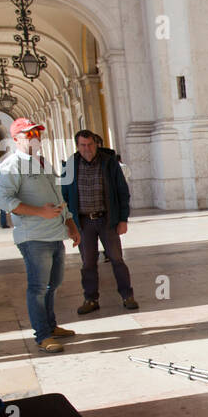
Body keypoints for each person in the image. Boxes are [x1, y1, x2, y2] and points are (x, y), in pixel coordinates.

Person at [0, 118, 80, 354]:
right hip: (33, 237)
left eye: (37, 135)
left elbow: (57, 196)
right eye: (28, 135)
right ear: (16, 140)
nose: (35, 139)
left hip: (55, 233)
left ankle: (51, 326)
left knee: (53, 284)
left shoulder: (42, 163)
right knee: (38, 287)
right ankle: (42, 335)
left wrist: (70, 223)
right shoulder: (11, 166)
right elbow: (5, 201)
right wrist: (39, 212)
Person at [61, 130, 137, 314]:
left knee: (117, 259)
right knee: (88, 263)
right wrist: (69, 223)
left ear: (96, 144)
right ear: (77, 146)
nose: (87, 149)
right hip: (84, 222)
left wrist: (122, 219)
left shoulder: (109, 162)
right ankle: (90, 299)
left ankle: (127, 295)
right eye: (83, 145)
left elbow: (122, 192)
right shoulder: (70, 165)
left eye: (90, 144)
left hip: (106, 220)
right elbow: (63, 194)